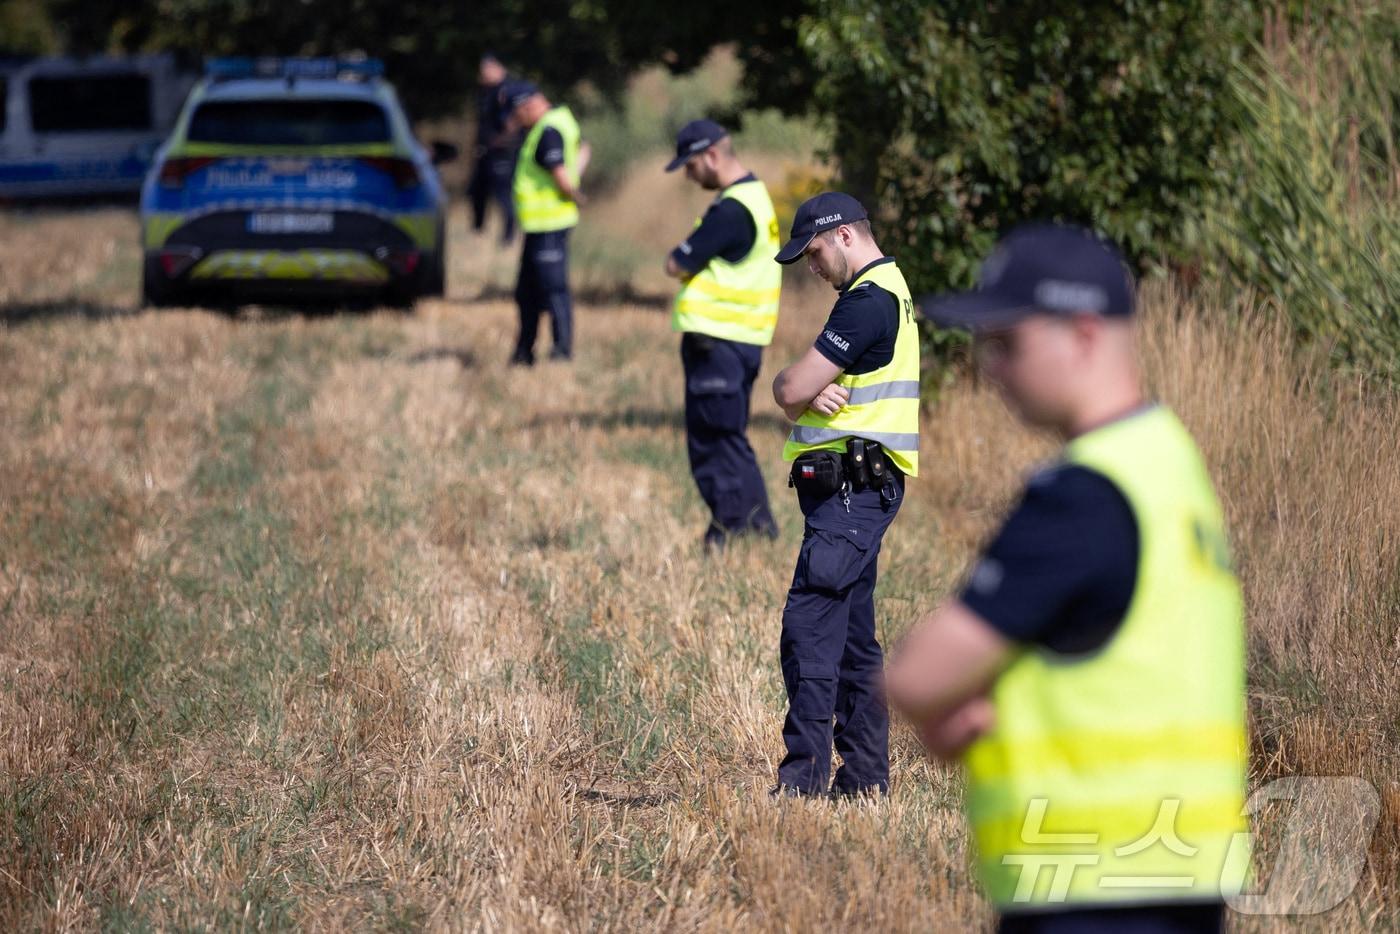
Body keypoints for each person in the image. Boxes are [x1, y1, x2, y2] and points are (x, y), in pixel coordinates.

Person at [887, 224, 1250, 932]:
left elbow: (917, 678)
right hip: (1179, 878)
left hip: (1092, 889)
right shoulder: (1169, 461)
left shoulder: (1084, 494)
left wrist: (953, 698)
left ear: (1082, 333)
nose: (989, 367)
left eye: (1007, 342)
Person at [769, 192, 920, 798]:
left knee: (809, 627)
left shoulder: (865, 304)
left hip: (852, 495)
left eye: (813, 253)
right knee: (855, 642)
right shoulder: (894, 290)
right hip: (863, 490)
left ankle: (802, 784)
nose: (812, 267)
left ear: (844, 237)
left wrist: (794, 389)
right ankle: (863, 782)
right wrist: (805, 392)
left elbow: (789, 386)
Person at [662, 119, 782, 549]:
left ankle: (733, 528)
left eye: (690, 165)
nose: (688, 175)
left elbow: (678, 262)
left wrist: (677, 256)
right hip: (741, 339)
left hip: (718, 340)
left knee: (713, 439)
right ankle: (756, 525)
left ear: (711, 155)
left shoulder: (731, 209)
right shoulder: (756, 198)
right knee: (729, 435)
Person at [503, 80, 590, 365]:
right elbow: (581, 153)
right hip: (539, 226)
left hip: (549, 225)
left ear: (529, 105)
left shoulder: (548, 130)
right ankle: (523, 352)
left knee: (553, 290)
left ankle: (561, 352)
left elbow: (561, 175)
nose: (516, 121)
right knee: (526, 292)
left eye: (517, 113)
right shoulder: (556, 123)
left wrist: (576, 196)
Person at [466, 54, 519, 244]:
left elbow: (516, 118)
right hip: (485, 152)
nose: (483, 75)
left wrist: (502, 139)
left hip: (502, 152)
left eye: (486, 70)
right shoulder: (486, 91)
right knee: (475, 191)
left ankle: (509, 235)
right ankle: (477, 230)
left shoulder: (508, 90)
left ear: (497, 68)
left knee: (503, 195)